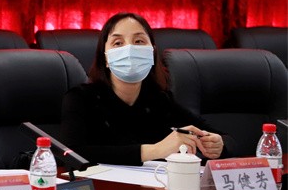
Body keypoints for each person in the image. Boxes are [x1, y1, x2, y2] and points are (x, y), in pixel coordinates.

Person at [60, 12, 231, 165]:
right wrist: (155, 150)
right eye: (118, 43)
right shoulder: (80, 98)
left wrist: (217, 144)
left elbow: (226, 139)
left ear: (152, 52)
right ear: (105, 57)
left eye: (139, 41)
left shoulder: (160, 101)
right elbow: (72, 153)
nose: (129, 49)